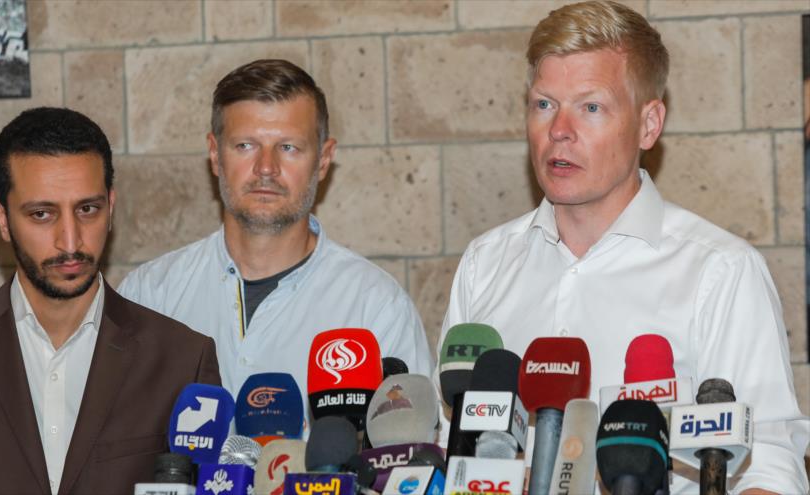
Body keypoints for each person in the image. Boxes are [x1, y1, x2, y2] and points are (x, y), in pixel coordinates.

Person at [439, 1, 809, 493]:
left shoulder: (720, 271)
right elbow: (450, 445)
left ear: (649, 124)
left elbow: (767, 464)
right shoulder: (484, 265)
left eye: (590, 107)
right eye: (544, 104)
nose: (559, 131)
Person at [118, 59, 433, 425]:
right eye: (245, 145)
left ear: (324, 160)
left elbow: (409, 465)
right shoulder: (149, 297)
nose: (265, 168)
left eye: (288, 148)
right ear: (215, 154)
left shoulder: (375, 308)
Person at [0, 107, 221, 494]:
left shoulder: (182, 359)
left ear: (111, 207)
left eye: (87, 209)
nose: (70, 241)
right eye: (41, 214)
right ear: (2, 217)